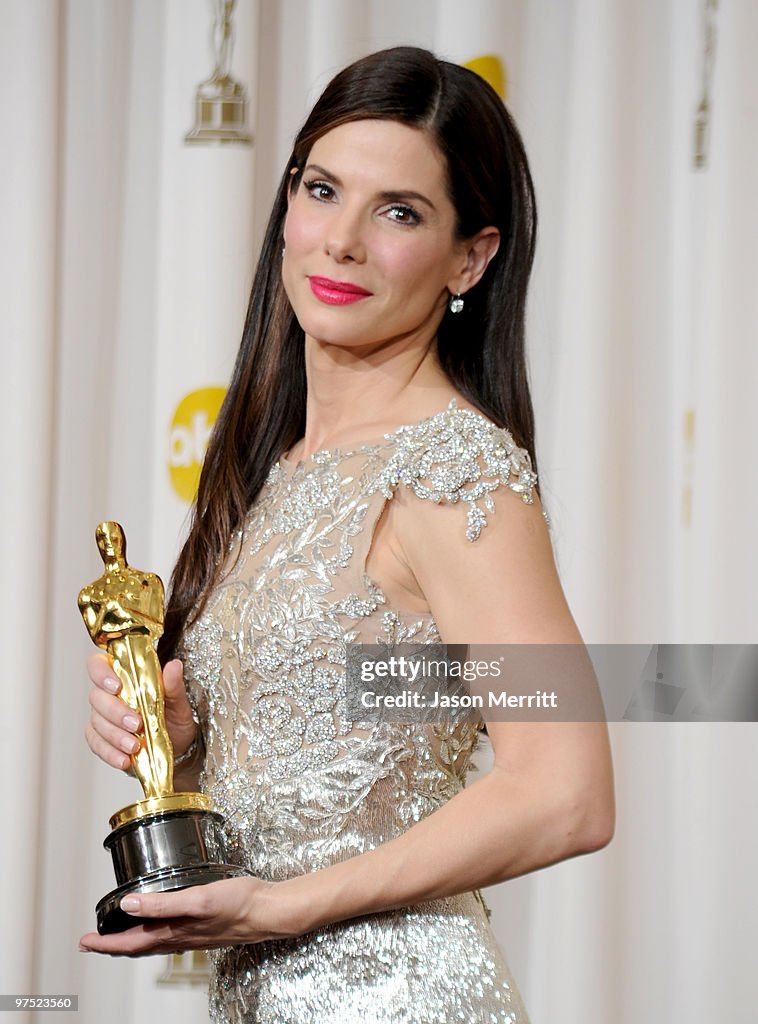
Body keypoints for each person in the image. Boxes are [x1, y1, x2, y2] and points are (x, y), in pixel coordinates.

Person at [80, 45, 614, 1023]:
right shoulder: (273, 464)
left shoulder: (451, 471)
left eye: (398, 212)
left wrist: (278, 908)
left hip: (401, 998)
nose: (341, 241)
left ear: (471, 257)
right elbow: (314, 777)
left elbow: (564, 791)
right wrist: (178, 738)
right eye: (322, 190)